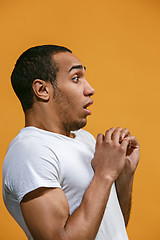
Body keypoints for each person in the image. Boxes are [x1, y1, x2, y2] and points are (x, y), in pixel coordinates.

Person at [3, 45, 140, 240]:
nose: (90, 89)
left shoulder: (85, 138)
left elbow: (110, 227)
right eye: (76, 78)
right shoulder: (30, 152)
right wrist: (106, 173)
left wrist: (124, 173)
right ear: (42, 90)